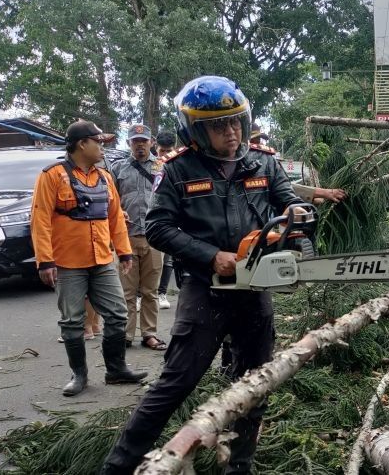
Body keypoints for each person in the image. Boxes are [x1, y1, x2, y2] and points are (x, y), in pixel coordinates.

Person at [101, 76, 304, 474]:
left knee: (254, 383)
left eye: (235, 122)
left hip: (255, 288)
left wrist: (295, 214)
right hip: (204, 289)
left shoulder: (263, 162)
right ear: (195, 129)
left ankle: (238, 466)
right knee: (176, 382)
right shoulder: (178, 169)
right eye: (218, 125)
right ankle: (118, 466)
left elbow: (289, 201)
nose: (231, 131)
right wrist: (212, 256)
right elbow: (158, 226)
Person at [31, 120, 147, 397]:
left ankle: (116, 370)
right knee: (72, 322)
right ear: (82, 144)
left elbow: (115, 217)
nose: (103, 148)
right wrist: (45, 261)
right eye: (99, 142)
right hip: (69, 263)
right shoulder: (52, 175)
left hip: (103, 260)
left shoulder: (105, 177)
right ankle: (79, 375)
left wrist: (124, 251)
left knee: (118, 314)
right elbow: (40, 219)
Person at [109, 124, 169, 350]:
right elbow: (111, 201)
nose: (140, 145)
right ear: (129, 144)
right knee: (126, 291)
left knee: (150, 292)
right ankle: (125, 335)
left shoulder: (162, 167)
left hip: (154, 238)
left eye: (144, 141)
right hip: (126, 238)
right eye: (135, 141)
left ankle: (149, 334)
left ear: (152, 142)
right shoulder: (118, 169)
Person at [249, 122, 347, 204]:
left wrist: (316, 199)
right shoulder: (240, 168)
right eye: (253, 141)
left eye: (258, 140)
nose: (258, 145)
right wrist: (325, 193)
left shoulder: (266, 163)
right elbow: (284, 188)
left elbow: (282, 190)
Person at [154, 130, 177, 307]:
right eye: (162, 151)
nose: (165, 154)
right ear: (156, 148)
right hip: (153, 216)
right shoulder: (151, 165)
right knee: (149, 260)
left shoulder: (179, 164)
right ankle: (142, 294)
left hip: (173, 218)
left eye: (168, 150)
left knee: (168, 259)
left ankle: (162, 293)